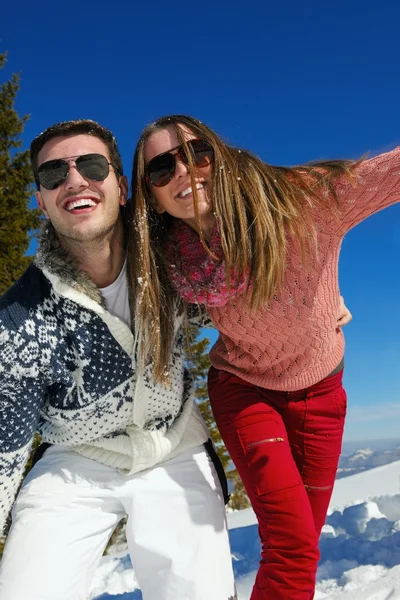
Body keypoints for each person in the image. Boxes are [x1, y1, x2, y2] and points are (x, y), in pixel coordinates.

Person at [130, 114, 400, 600]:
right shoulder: (163, 257)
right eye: (161, 169)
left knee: (302, 540)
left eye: (196, 154)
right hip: (245, 390)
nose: (183, 174)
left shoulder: (302, 201)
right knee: (293, 546)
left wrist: (324, 300)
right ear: (151, 193)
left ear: (220, 155)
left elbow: (391, 172)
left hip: (321, 394)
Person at [0, 119, 237, 600]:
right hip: (75, 463)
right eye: (52, 175)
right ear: (41, 200)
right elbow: (4, 448)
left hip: (174, 445)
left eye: (91, 165)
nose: (74, 181)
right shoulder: (20, 318)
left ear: (121, 185)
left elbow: (252, 271)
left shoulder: (169, 258)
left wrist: (316, 301)